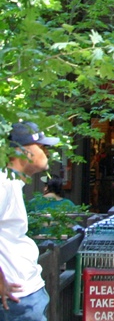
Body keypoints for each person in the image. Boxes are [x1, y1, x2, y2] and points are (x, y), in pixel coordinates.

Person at [0, 122, 59, 321]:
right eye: (42, 147)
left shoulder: (11, 182)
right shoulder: (3, 182)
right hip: (16, 299)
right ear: (23, 150)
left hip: (23, 294)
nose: (46, 153)